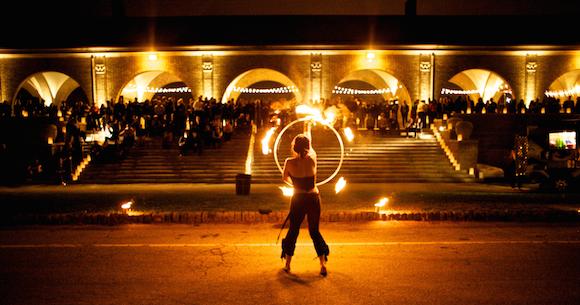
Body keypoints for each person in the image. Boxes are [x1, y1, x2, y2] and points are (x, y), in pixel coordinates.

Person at [280, 134, 329, 276]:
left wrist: (295, 185)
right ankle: (322, 264)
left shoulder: (289, 162)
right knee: (314, 231)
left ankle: (288, 265)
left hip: (298, 198)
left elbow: (284, 178)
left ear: (294, 147)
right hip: (313, 197)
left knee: (294, 230)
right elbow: (308, 149)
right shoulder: (313, 159)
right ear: (308, 146)